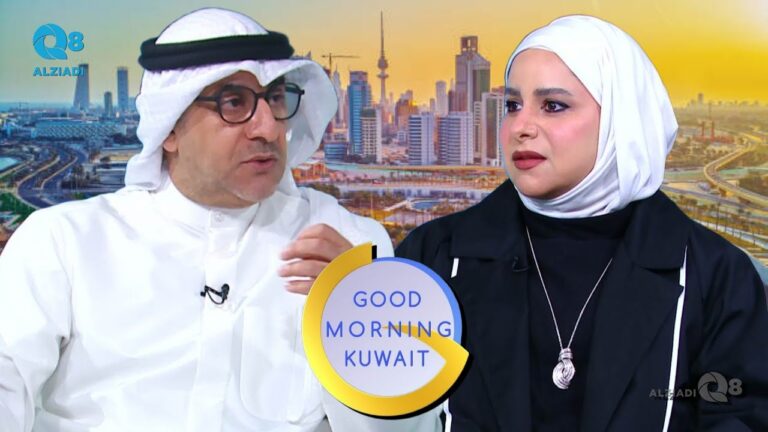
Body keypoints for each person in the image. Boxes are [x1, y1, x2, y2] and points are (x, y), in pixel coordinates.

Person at [0, 8, 440, 432]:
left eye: (274, 99)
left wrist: (364, 315)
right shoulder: (63, 244)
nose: (268, 128)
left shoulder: (351, 243)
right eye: (233, 103)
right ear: (169, 129)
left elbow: (411, 429)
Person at [396, 15, 768, 431]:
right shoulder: (433, 255)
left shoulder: (716, 277)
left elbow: (741, 417)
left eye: (553, 106)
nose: (521, 127)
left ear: (621, 121)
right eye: (513, 106)